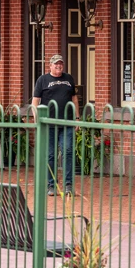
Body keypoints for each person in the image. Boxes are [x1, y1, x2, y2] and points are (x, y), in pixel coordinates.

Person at [31, 54, 77, 195]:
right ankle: (51, 185)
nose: (59, 66)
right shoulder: (43, 80)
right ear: (50, 65)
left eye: (61, 64)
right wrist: (37, 118)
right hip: (49, 123)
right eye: (56, 64)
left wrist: (77, 117)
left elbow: (74, 99)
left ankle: (68, 185)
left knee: (68, 152)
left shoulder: (69, 79)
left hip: (67, 122)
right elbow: (35, 101)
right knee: (50, 154)